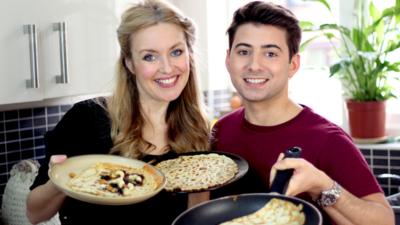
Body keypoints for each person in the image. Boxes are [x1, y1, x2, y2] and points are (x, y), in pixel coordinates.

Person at [211, 1, 394, 225]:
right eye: (244, 51)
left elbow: (385, 220)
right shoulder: (221, 130)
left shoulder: (328, 139)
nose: (254, 65)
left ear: (293, 65)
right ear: (229, 60)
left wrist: (322, 185)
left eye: (270, 53)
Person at [26, 0, 210, 224]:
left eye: (176, 52)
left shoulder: (196, 130)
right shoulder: (87, 119)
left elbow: (195, 216)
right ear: (130, 64)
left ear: (189, 55)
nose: (168, 67)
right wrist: (58, 182)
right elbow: (35, 213)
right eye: (149, 56)